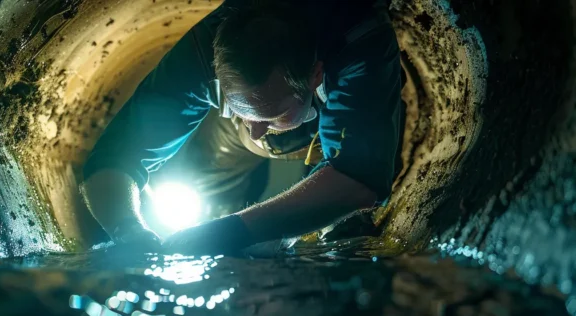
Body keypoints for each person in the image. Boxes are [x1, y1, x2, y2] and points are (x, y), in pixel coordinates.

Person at [80, 0, 403, 255]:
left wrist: (233, 231)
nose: (256, 129)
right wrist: (129, 230)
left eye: (269, 115)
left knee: (343, 225)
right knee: (214, 172)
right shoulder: (203, 49)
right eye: (242, 110)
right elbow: (115, 157)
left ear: (314, 75)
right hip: (241, 141)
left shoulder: (361, 42)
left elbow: (358, 179)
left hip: (349, 124)